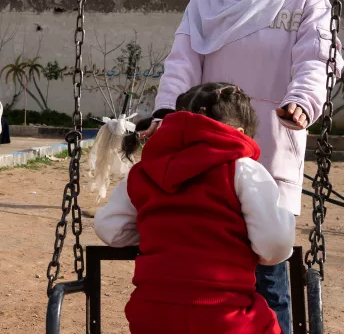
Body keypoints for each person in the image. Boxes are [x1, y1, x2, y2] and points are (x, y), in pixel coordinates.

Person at [150, 0, 340, 333]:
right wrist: (164, 113)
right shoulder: (206, 1)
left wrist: (304, 100)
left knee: (269, 276)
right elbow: (182, 62)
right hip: (210, 149)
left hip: (273, 143)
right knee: (209, 273)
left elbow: (318, 59)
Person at [94, 82, 295, 334]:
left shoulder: (142, 172)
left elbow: (110, 229)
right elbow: (274, 245)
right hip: (225, 315)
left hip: (153, 314)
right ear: (241, 133)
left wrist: (156, 233)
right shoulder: (243, 169)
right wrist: (281, 222)